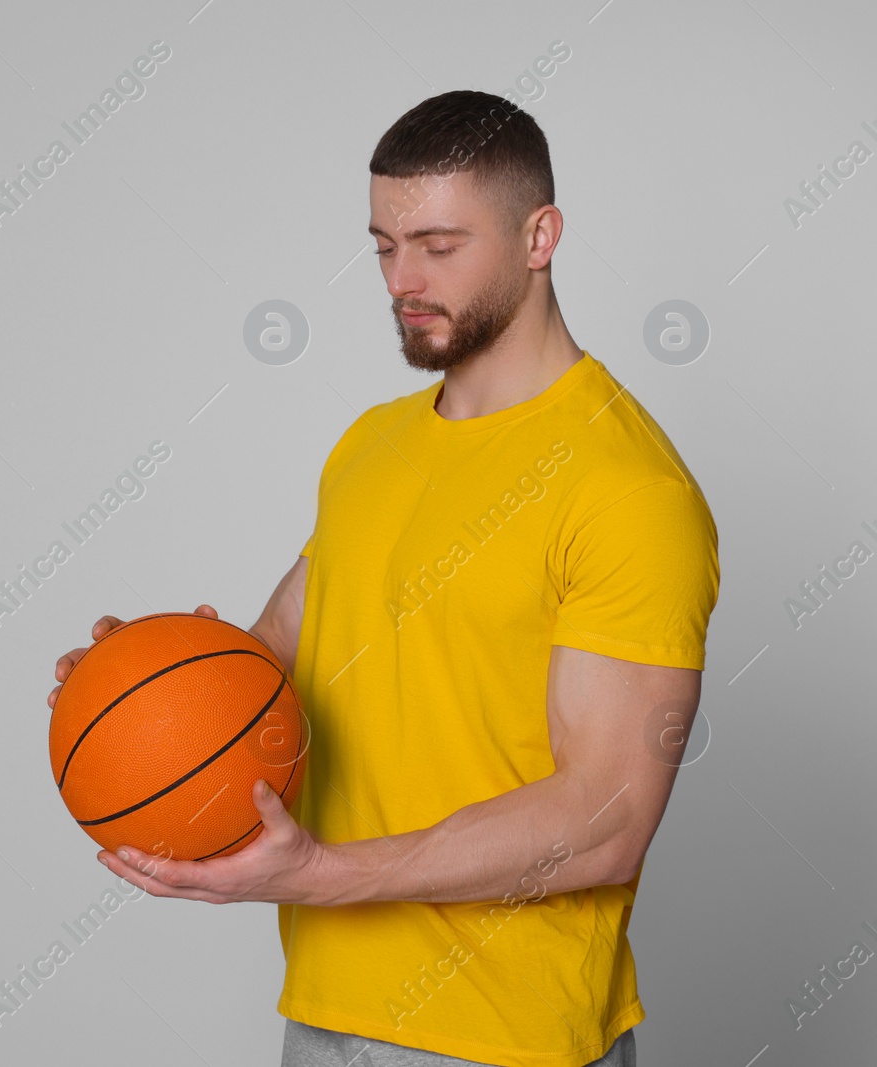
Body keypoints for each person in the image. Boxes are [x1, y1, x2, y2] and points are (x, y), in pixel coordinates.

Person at [46, 89, 719, 1067]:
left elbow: (603, 819)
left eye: (439, 245)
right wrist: (147, 684)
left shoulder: (625, 488)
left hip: (502, 1040)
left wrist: (322, 872)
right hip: (325, 1020)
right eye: (384, 243)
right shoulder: (370, 447)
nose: (402, 277)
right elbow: (274, 664)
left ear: (540, 236)